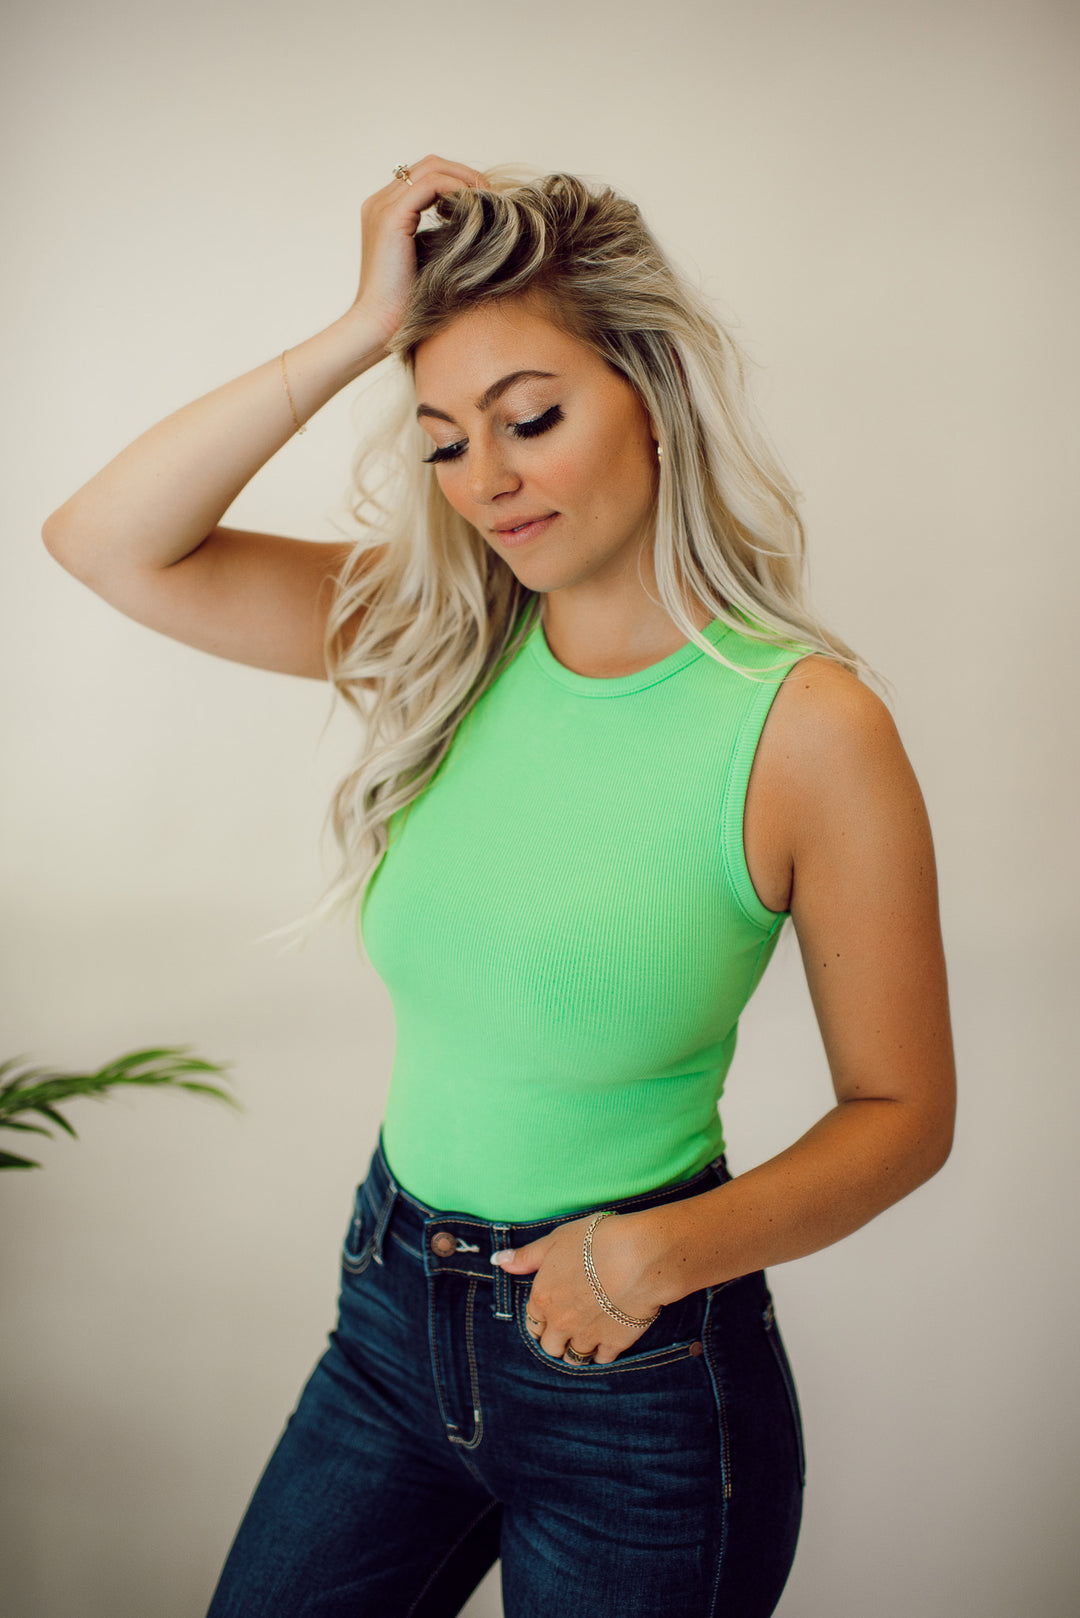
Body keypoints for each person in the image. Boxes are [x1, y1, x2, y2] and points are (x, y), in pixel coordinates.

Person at [42, 155, 957, 1618]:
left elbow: (903, 1113)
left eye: (531, 419)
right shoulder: (445, 637)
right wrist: (362, 328)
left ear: (650, 394)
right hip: (390, 1322)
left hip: (634, 1370)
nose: (487, 481)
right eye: (445, 442)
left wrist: (650, 1253)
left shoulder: (805, 727)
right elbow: (104, 541)